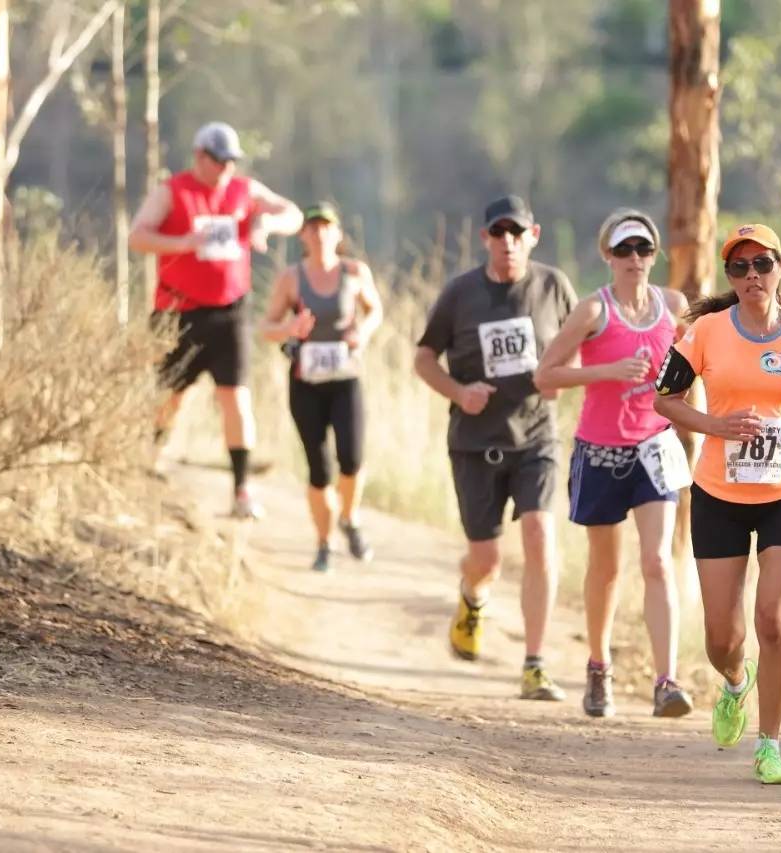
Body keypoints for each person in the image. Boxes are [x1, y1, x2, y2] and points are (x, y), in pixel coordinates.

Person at [653, 223, 781, 785]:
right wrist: (715, 424)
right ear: (730, 278)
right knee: (723, 637)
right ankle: (736, 684)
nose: (751, 276)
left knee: (776, 621)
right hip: (718, 491)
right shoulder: (707, 332)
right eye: (739, 268)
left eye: (761, 264)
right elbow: (665, 399)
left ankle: (771, 746)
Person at [414, 194, 577, 701]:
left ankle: (534, 663)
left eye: (516, 232)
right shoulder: (461, 293)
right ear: (485, 238)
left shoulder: (554, 287)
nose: (507, 242)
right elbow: (423, 358)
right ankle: (471, 597)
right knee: (485, 560)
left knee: (540, 536)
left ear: (533, 236)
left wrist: (560, 381)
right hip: (475, 443)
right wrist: (459, 392)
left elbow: (582, 347)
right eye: (497, 233)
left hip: (536, 437)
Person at [534, 209, 694, 719]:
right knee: (605, 569)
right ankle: (599, 666)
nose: (634, 259)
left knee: (658, 561)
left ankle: (666, 680)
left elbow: (694, 369)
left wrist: (703, 425)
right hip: (601, 452)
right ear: (607, 255)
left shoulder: (673, 307)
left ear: (654, 255)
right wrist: (606, 370)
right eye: (623, 250)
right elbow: (546, 377)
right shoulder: (591, 312)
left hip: (655, 450)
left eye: (643, 249)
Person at [129, 121, 302, 519]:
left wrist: (266, 223)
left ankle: (241, 490)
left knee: (236, 398)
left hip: (229, 313)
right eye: (219, 161)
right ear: (200, 157)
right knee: (168, 397)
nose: (226, 169)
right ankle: (149, 464)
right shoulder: (172, 192)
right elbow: (137, 237)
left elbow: (291, 213)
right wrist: (183, 244)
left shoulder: (245, 191)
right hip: (178, 313)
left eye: (231, 162)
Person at [261, 202, 384, 572]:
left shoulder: (354, 272)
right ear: (303, 236)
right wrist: (290, 330)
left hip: (346, 380)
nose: (319, 233)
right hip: (306, 383)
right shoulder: (291, 278)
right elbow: (266, 327)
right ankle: (324, 543)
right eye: (312, 227)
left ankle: (350, 518)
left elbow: (375, 309)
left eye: (326, 226)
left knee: (352, 458)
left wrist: (360, 332)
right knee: (319, 468)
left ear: (338, 233)